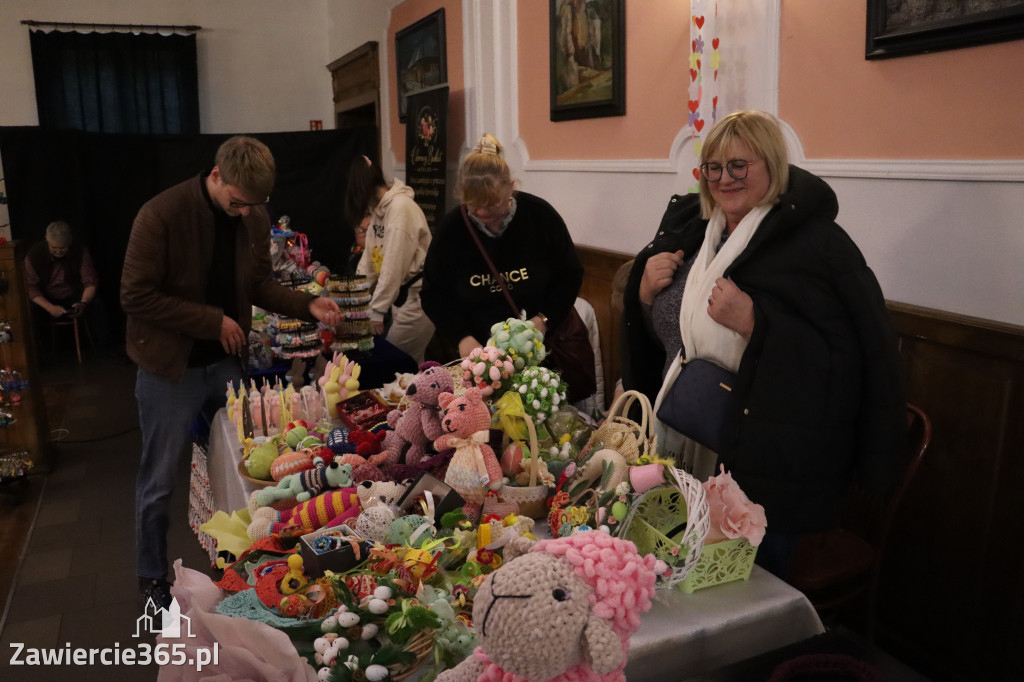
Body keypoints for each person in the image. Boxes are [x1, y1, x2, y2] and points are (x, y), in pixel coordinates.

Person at [621, 110, 905, 579]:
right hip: (683, 439)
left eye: (739, 165)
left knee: (745, 592)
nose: (723, 179)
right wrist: (645, 295)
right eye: (712, 167)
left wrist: (758, 324)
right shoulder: (693, 233)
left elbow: (850, 361)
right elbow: (672, 339)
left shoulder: (820, 246)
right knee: (680, 582)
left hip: (769, 464)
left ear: (771, 165)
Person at [121, 136, 342, 608]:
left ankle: (243, 562)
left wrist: (308, 304)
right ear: (216, 175)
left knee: (247, 464)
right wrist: (211, 320)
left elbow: (258, 283)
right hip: (168, 366)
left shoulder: (255, 213)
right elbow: (135, 296)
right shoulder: (160, 214)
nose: (246, 213)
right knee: (158, 480)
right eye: (238, 203)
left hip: (225, 363)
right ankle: (151, 576)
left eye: (255, 206)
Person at [421, 133, 584, 359]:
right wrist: (461, 336)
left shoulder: (540, 216)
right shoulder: (452, 229)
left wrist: (544, 319)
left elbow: (570, 274)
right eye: (474, 204)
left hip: (538, 351)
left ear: (510, 187)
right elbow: (433, 294)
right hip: (477, 355)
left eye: (492, 203)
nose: (482, 212)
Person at [346, 156, 434, 363]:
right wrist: (352, 298)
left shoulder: (400, 208)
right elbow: (369, 261)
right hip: (402, 299)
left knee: (394, 364)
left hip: (419, 299)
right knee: (412, 367)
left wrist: (377, 310)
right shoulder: (379, 211)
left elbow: (393, 267)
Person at [24, 220, 110, 348]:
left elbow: (90, 281)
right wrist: (50, 307)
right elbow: (31, 287)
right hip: (47, 297)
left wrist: (83, 302)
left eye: (62, 248)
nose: (58, 251)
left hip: (73, 294)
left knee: (97, 303)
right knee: (28, 310)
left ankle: (105, 348)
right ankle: (38, 354)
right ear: (47, 239)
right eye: (54, 248)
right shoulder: (34, 255)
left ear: (70, 242)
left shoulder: (80, 252)